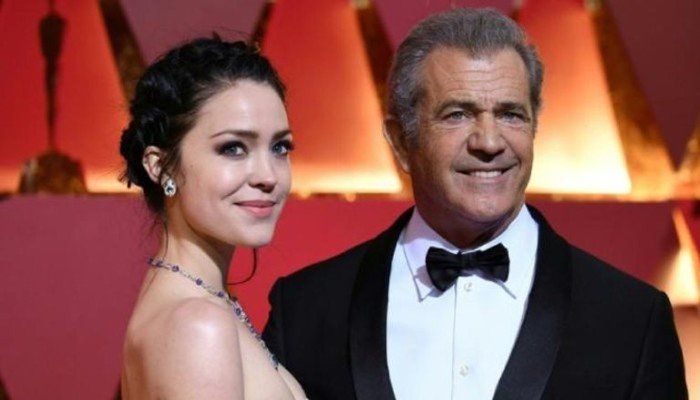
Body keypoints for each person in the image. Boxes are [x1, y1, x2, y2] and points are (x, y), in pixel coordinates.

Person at [262, 8, 687, 400]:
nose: (489, 142)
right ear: (402, 141)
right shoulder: (306, 310)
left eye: (510, 114)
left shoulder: (632, 319)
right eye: (458, 115)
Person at [119, 37, 306, 399]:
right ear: (160, 166)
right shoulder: (197, 325)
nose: (268, 176)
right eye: (233, 148)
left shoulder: (196, 302)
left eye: (280, 147)